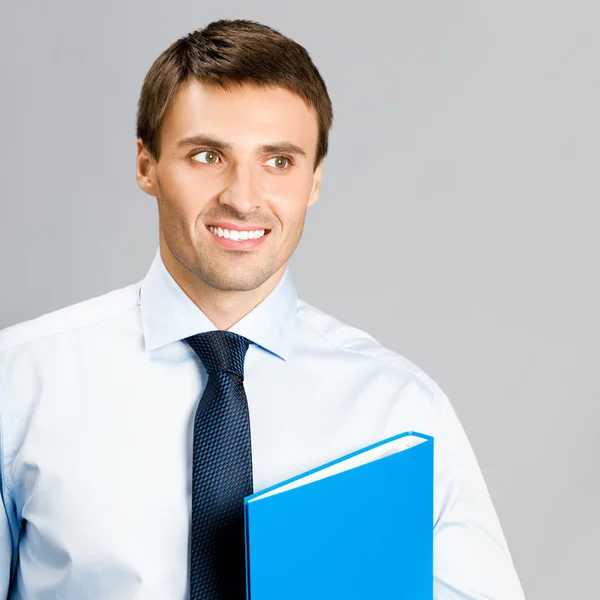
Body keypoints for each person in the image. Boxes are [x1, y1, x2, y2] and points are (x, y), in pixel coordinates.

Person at [0, 18, 526, 599]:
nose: (242, 197)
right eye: (206, 156)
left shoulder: (401, 411)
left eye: (278, 162)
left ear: (315, 180)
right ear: (146, 165)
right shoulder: (19, 382)